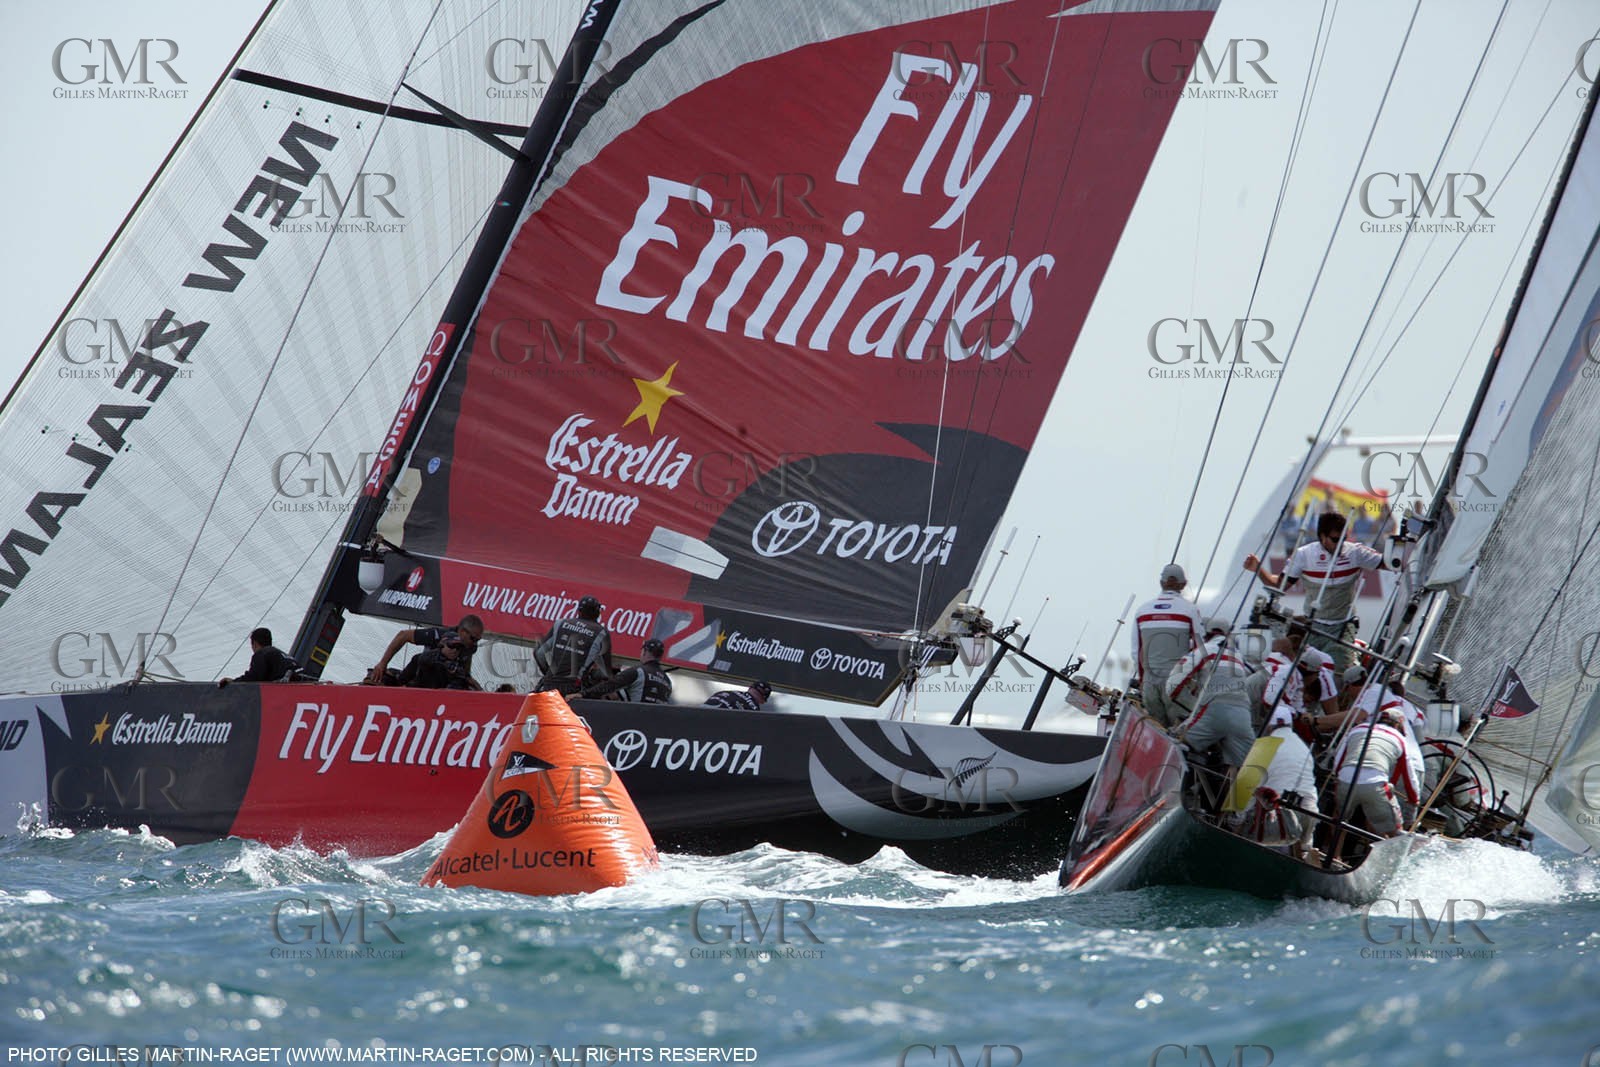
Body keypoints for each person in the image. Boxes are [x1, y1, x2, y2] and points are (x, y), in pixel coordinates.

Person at [1242, 512, 1385, 671]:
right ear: (1322, 537)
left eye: (1343, 539)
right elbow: (1279, 585)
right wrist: (1257, 569)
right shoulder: (1304, 555)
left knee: (1338, 672)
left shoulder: (1356, 552)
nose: (1340, 544)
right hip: (1313, 626)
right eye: (1335, 539)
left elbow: (1392, 563)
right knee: (1308, 672)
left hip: (1343, 626)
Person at [1167, 617, 1259, 770]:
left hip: (1215, 711)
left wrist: (1189, 707)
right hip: (1243, 716)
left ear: (1206, 634)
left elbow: (1173, 685)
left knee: (1175, 744)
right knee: (1244, 770)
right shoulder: (1239, 656)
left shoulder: (1205, 649)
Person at [1235, 706, 1322, 858]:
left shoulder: (1263, 745)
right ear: (1290, 725)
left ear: (1268, 725)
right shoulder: (1303, 747)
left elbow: (1244, 793)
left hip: (1279, 817)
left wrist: (1235, 825)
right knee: (1302, 852)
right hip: (1308, 813)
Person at [1331, 707, 1423, 838]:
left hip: (1345, 781)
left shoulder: (1357, 729)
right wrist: (1414, 800)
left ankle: (1335, 855)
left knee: (1339, 819)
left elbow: (1339, 760)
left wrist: (1337, 777)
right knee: (1393, 831)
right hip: (1374, 785)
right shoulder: (1400, 739)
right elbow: (1409, 777)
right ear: (1398, 725)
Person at [1131, 563, 1204, 727]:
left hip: (1150, 683)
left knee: (1157, 730)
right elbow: (1201, 649)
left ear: (1162, 583)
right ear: (1183, 584)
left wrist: (1143, 682)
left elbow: (1136, 652)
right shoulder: (1190, 610)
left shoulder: (1142, 611)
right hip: (1177, 683)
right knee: (1179, 731)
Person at [368, 615, 484, 687]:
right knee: (419, 659)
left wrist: (469, 679)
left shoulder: (472, 646)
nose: (475, 643)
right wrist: (383, 663)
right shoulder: (439, 635)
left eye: (478, 640)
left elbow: (466, 665)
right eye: (473, 639)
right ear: (463, 631)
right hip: (422, 677)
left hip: (445, 683)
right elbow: (403, 635)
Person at [534, 595, 613, 695]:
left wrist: (548, 673)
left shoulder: (561, 623)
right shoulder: (601, 633)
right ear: (598, 612)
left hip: (549, 685)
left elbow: (539, 653)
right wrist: (592, 676)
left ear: (579, 611)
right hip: (573, 689)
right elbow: (605, 672)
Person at [219, 628, 297, 686]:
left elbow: (252, 679)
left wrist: (233, 682)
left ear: (255, 644)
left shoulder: (262, 654)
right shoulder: (285, 656)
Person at [398, 633, 475, 690]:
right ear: (442, 644)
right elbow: (402, 680)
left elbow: (457, 687)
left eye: (459, 647)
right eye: (452, 645)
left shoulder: (459, 669)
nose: (455, 650)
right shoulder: (419, 658)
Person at [624, 638, 673, 704]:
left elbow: (609, 688)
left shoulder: (638, 671)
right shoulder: (668, 681)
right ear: (660, 656)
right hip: (657, 714)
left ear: (645, 651)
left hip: (635, 713)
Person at [705, 680, 771, 711]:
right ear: (762, 700)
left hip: (697, 717)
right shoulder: (754, 710)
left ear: (749, 688)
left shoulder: (723, 692)